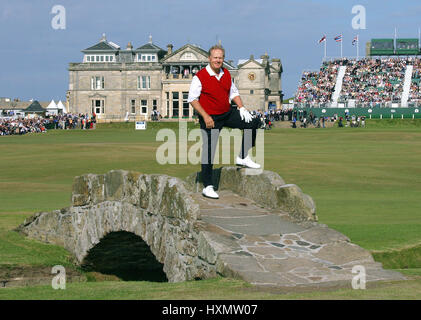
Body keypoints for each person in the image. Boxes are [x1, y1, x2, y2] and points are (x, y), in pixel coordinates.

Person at [188, 44, 262, 199]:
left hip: (227, 112)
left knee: (253, 122)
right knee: (209, 151)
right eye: (215, 57)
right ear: (209, 59)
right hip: (211, 118)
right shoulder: (199, 76)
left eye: (220, 58)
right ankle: (208, 186)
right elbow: (193, 99)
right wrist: (205, 116)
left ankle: (242, 156)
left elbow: (233, 92)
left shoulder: (226, 73)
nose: (218, 60)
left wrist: (241, 108)